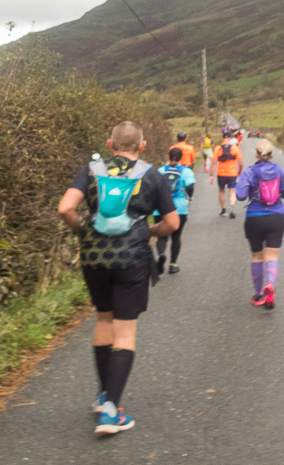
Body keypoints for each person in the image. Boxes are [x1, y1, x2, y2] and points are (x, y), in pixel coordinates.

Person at [57, 121, 178, 436]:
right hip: (132, 259)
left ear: (110, 145)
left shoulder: (91, 170)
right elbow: (172, 223)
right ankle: (111, 412)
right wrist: (150, 231)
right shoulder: (153, 176)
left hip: (94, 258)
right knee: (124, 334)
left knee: (103, 321)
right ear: (142, 146)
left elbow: (65, 208)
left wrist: (82, 231)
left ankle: (102, 395)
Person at [235, 139, 284, 309]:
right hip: (277, 217)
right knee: (272, 256)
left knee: (257, 257)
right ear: (271, 155)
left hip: (254, 217)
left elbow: (239, 196)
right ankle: (270, 284)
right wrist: (278, 192)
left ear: (256, 154)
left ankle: (259, 295)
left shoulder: (249, 173)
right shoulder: (280, 172)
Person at [155, 146, 196, 275]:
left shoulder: (160, 171)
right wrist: (189, 197)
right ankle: (173, 264)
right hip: (179, 207)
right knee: (176, 236)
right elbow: (190, 186)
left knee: (161, 235)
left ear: (168, 157)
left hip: (160, 208)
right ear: (181, 158)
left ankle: (161, 254)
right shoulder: (186, 171)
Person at [211, 134, 243, 218]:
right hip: (232, 173)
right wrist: (239, 171)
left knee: (221, 191)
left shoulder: (218, 148)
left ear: (222, 138)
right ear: (230, 138)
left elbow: (214, 163)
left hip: (221, 173)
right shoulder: (235, 148)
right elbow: (240, 163)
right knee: (232, 191)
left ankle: (223, 210)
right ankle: (231, 207)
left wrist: (211, 174)